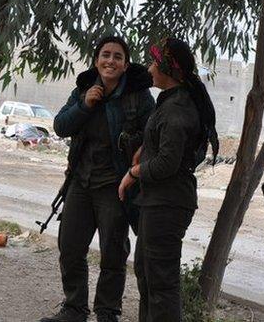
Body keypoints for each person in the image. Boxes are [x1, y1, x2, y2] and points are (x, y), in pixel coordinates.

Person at [41, 36, 155, 322]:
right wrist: (84, 105)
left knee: (113, 253)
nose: (111, 61)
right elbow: (60, 126)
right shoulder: (84, 89)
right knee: (69, 247)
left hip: (114, 186)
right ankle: (74, 308)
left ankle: (107, 312)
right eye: (105, 55)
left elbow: (154, 134)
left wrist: (139, 151)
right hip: (80, 182)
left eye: (118, 57)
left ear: (126, 65)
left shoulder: (139, 96)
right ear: (96, 60)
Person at [118, 38, 219, 322]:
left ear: (167, 69)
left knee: (160, 282)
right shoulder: (171, 103)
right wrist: (144, 148)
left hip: (168, 204)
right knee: (147, 274)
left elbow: (167, 163)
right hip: (158, 202)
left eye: (153, 62)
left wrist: (133, 173)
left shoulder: (177, 108)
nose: (149, 67)